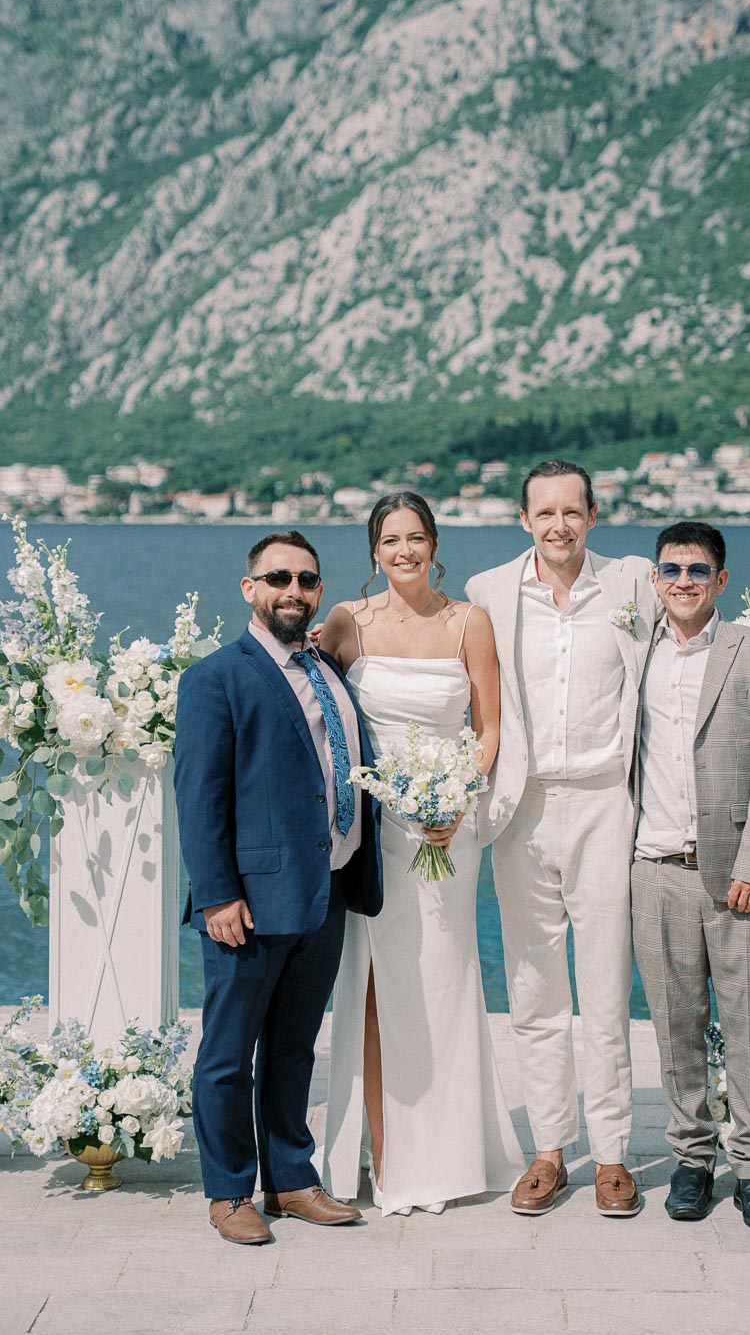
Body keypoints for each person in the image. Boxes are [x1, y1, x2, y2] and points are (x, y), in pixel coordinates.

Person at [466, 459, 750, 1217]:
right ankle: (550, 1151)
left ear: (593, 515)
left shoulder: (631, 583)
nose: (559, 525)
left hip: (608, 808)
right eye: (544, 512)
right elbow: (430, 645)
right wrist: (344, 632)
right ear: (524, 519)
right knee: (533, 987)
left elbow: (707, 637)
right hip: (521, 808)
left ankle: (613, 1154)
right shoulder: (488, 592)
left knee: (610, 987)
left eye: (572, 512)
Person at [174, 531, 383, 1244]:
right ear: (249, 588)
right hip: (249, 903)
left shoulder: (326, 668)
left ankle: (291, 1180)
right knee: (228, 1055)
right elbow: (199, 799)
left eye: (306, 580)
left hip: (324, 891)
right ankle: (229, 1191)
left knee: (294, 1049)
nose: (293, 591)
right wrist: (216, 895)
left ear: (320, 592)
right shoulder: (216, 677)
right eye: (278, 579)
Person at [320, 492, 525, 1216]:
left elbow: (489, 725)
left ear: (436, 544)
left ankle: (449, 1154)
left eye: (416, 537)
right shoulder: (347, 620)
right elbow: (307, 696)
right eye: (389, 539)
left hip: (447, 829)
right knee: (377, 985)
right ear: (373, 550)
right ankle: (384, 1153)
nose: (404, 550)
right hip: (376, 833)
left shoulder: (470, 621)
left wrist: (458, 798)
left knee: (443, 981)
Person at [631, 522, 750, 1231]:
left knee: (749, 1027)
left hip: (740, 878)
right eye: (671, 569)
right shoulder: (632, 652)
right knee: (675, 1027)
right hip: (655, 871)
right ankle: (692, 1161)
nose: (683, 581)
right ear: (654, 578)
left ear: (721, 581)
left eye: (698, 571)